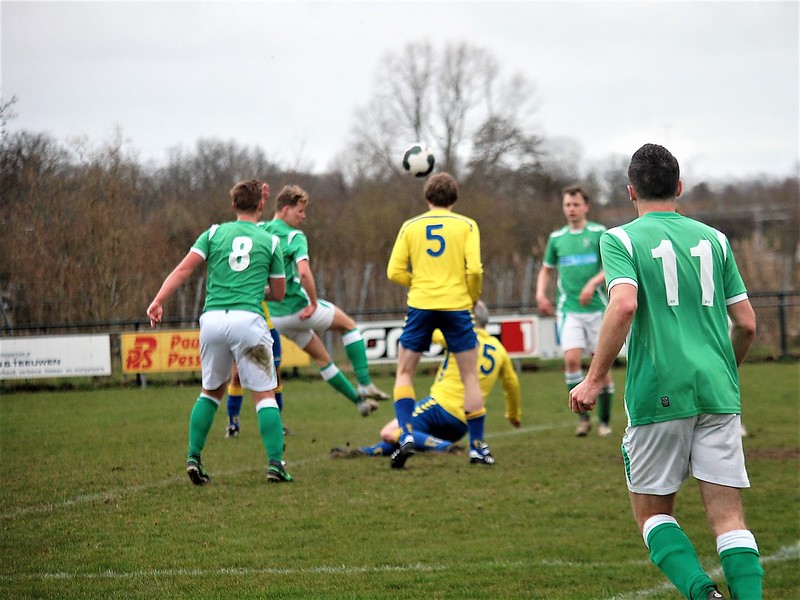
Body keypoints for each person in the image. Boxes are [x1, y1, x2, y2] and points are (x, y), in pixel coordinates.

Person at [569, 144, 762, 600]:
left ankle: (702, 593)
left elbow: (624, 303)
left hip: (659, 392)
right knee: (729, 519)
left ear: (631, 191)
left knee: (653, 514)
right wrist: (723, 370)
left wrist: (594, 379)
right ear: (678, 187)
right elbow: (748, 324)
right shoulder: (716, 240)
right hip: (718, 390)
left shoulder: (620, 239)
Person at [146, 180, 293, 484]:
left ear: (233, 205)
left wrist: (159, 300)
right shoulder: (271, 241)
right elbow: (279, 293)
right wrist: (252, 289)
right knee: (264, 394)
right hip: (249, 322)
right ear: (261, 206)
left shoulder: (213, 233)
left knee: (211, 391)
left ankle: (193, 456)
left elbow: (184, 269)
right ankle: (276, 463)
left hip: (212, 320)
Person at [330, 300, 521, 462]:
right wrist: (514, 415)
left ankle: (446, 448)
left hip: (439, 408)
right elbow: (512, 385)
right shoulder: (499, 350)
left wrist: (417, 317)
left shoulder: (459, 336)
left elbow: (431, 331)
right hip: (465, 422)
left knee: (390, 431)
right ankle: (368, 452)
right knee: (410, 435)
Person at [386, 172, 487, 468]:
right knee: (470, 376)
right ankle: (477, 447)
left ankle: (405, 434)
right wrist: (471, 296)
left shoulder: (410, 226)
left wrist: (419, 283)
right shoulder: (467, 225)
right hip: (456, 305)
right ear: (454, 199)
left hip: (421, 305)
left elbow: (394, 271)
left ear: (427, 198)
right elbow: (475, 270)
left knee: (404, 373)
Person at [264, 184, 389, 418]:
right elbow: (303, 273)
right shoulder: (294, 236)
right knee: (349, 325)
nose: (304, 216)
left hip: (276, 317)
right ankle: (363, 383)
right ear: (285, 210)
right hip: (297, 307)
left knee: (322, 358)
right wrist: (312, 303)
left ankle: (359, 403)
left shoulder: (260, 230)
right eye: (299, 211)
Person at [535, 185, 615, 437]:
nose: (571, 209)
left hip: (597, 310)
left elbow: (610, 266)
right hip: (568, 309)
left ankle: (604, 421)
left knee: (599, 366)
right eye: (567, 205)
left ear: (586, 207)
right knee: (571, 360)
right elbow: (547, 269)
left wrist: (592, 283)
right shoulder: (556, 238)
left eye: (576, 204)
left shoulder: (599, 234)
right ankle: (583, 419)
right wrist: (540, 294)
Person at [224, 304, 285, 439]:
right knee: (237, 376)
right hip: (244, 328)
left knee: (275, 376)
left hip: (268, 328)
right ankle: (233, 424)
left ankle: (277, 422)